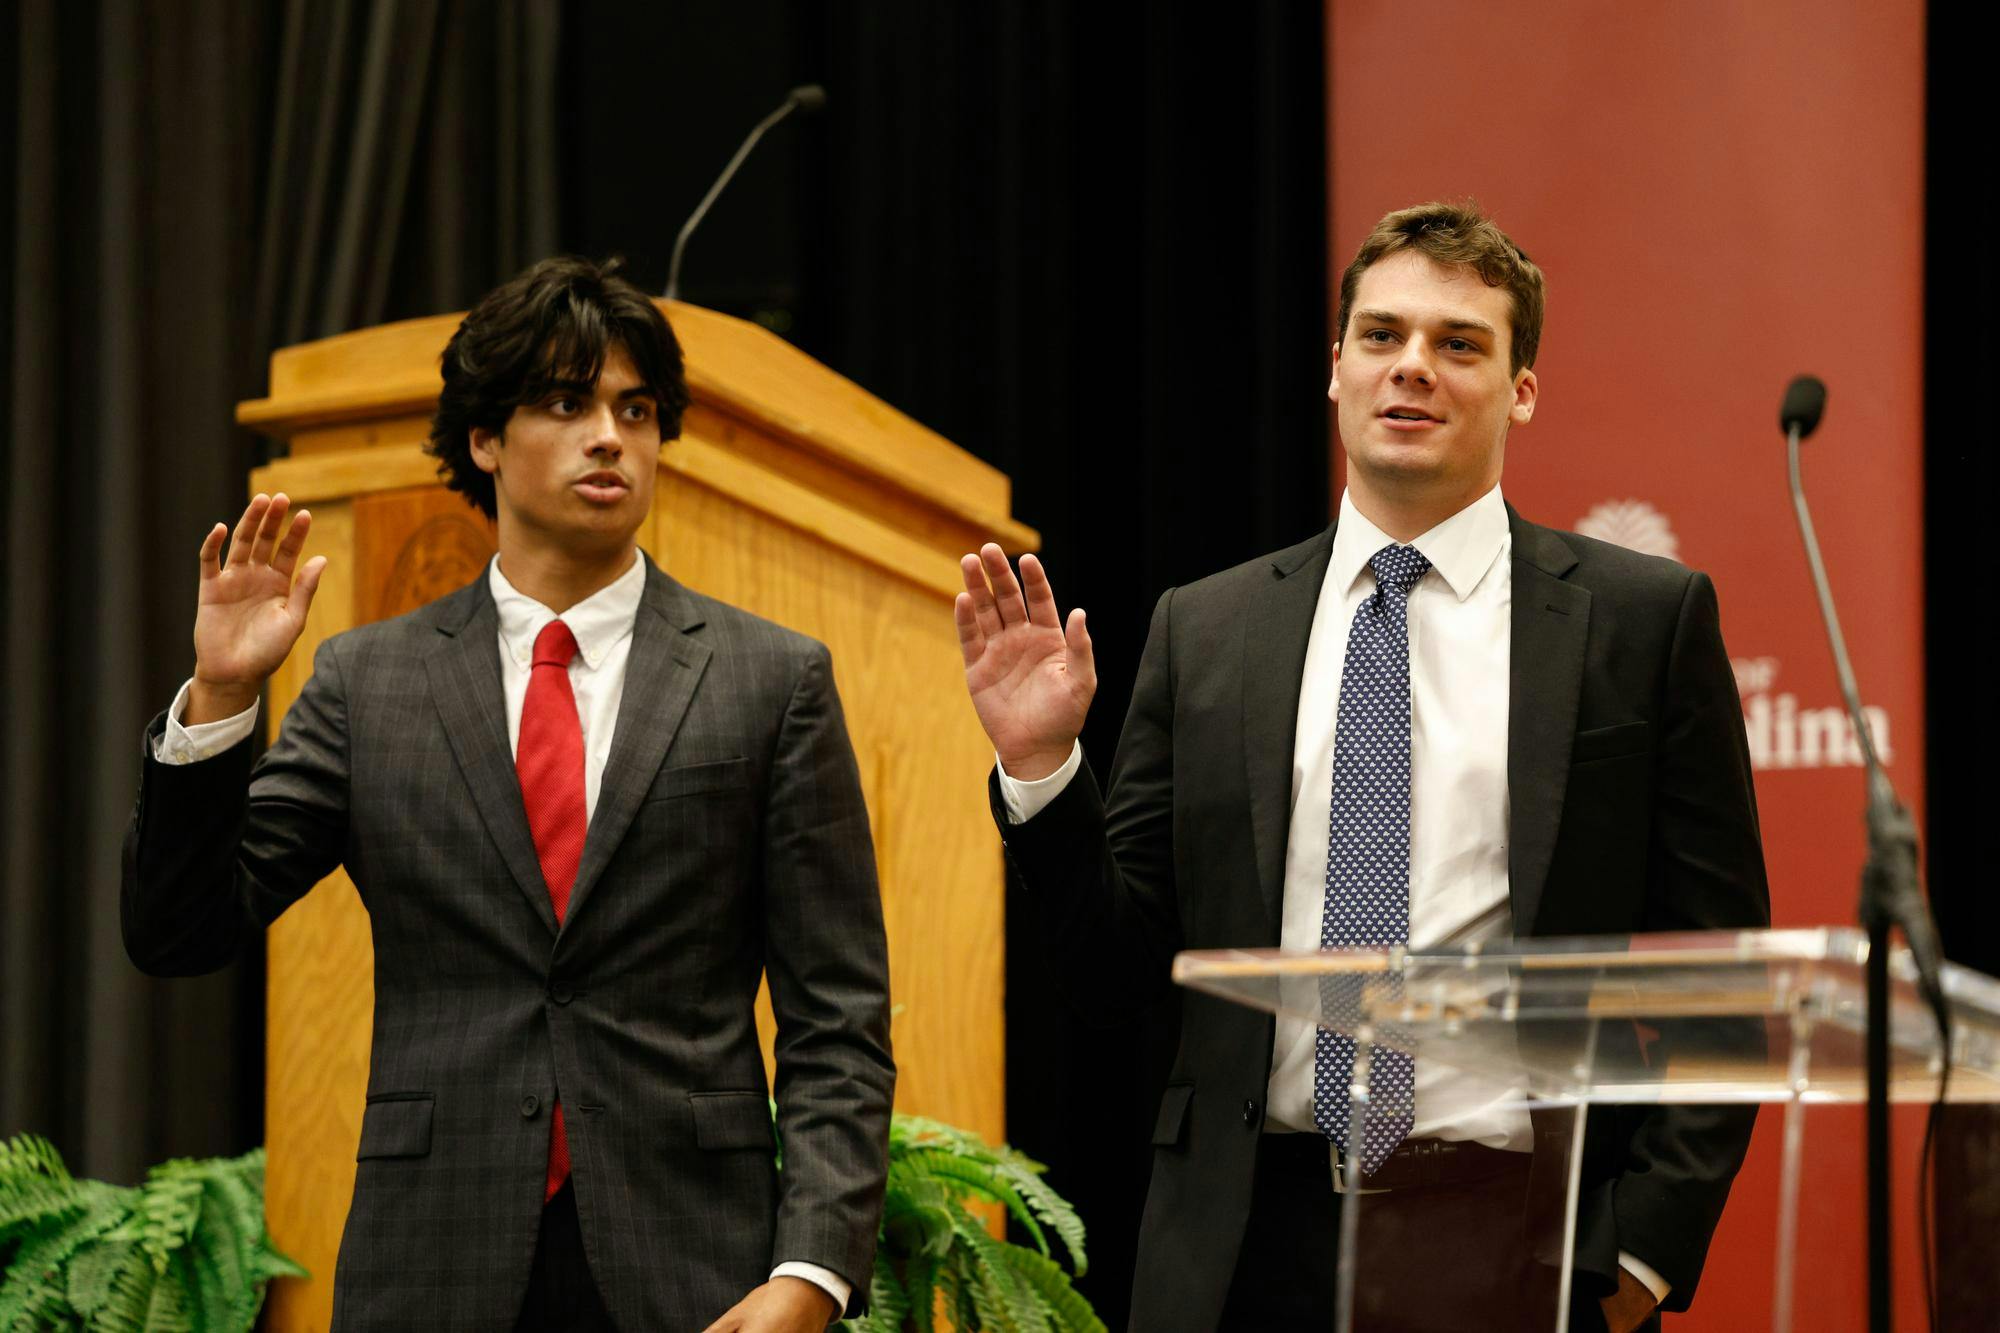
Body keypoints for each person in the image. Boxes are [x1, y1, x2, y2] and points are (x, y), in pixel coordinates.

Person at [955, 201, 1769, 1332]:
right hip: (1246, 1244)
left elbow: (1720, 975)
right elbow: (1117, 973)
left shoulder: (1639, 621)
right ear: (1333, 369)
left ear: (1520, 389)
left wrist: (1638, 1255)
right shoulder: (1208, 628)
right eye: (1380, 337)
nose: (1412, 369)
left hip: (1518, 1237)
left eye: (1458, 343)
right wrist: (1041, 769)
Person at [122, 257, 895, 1332]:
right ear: (484, 439)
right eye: (567, 403)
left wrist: (809, 1273)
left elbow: (837, 1022)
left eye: (636, 410)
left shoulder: (772, 679)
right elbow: (178, 927)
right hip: (433, 1262)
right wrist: (222, 693)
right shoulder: (368, 682)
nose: (610, 437)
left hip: (702, 1270)